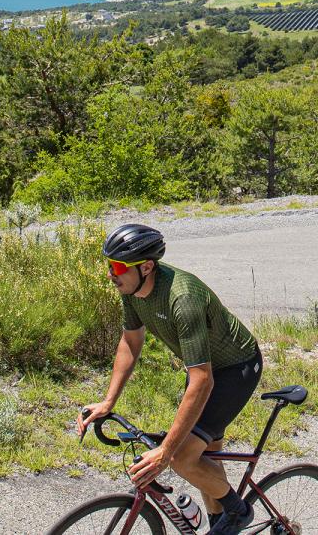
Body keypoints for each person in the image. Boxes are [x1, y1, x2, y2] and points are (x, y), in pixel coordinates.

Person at [77, 224, 262, 535]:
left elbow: (202, 381)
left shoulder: (182, 297)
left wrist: (165, 453)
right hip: (205, 371)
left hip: (235, 369)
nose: (111, 273)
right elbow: (130, 342)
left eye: (118, 266)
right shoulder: (133, 290)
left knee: (181, 457)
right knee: (203, 455)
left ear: (147, 267)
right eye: (109, 265)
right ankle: (220, 523)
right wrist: (108, 401)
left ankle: (238, 512)